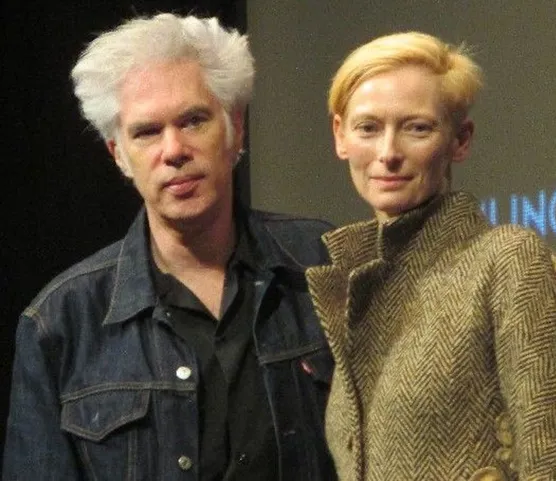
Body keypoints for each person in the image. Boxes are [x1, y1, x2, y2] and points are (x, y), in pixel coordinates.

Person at [3, 13, 337, 481]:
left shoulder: (325, 265)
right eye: (146, 132)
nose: (174, 150)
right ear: (119, 155)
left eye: (194, 120)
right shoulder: (61, 321)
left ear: (235, 128)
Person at [306, 31, 556, 480]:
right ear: (340, 136)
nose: (388, 153)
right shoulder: (355, 288)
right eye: (368, 128)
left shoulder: (506, 260)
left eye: (417, 128)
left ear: (460, 140)